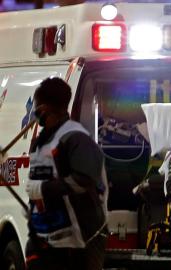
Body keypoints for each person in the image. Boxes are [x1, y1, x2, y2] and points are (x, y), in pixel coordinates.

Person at [25, 77, 108, 270]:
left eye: (36, 108)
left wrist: (44, 189)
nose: (35, 114)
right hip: (47, 240)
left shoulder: (76, 138)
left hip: (79, 243)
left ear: (44, 109)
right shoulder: (43, 141)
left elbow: (85, 180)